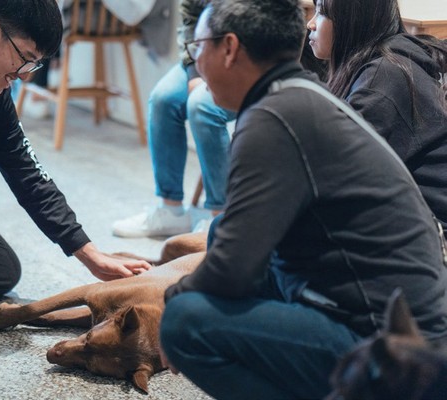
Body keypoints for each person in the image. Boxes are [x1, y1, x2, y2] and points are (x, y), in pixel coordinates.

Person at [158, 1, 447, 399]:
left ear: (228, 48)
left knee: (183, 322)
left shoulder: (273, 118)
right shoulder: (297, 97)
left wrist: (172, 299)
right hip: (388, 317)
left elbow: (231, 270)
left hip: (395, 352)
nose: (195, 64)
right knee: (220, 234)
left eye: (197, 48)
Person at [0, 0, 150, 297]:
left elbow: (25, 169)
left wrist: (88, 253)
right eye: (25, 58)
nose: (26, 75)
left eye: (35, 64)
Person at [307, 0, 447, 235]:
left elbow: (334, 172)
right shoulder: (383, 65)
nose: (310, 23)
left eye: (321, 12)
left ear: (352, 20)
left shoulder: (383, 79)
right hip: (411, 222)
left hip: (430, 237)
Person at [112, 0, 235, 238]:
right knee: (163, 99)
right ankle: (170, 210)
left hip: (250, 58)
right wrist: (194, 73)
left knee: (203, 106)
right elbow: (189, 21)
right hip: (205, 53)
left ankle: (222, 219)